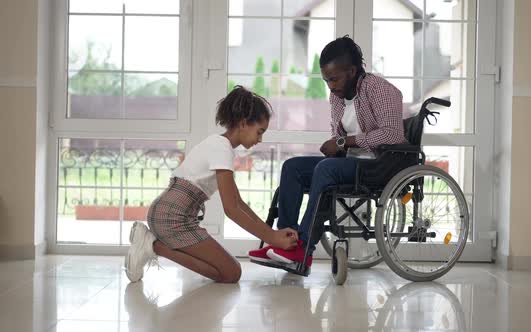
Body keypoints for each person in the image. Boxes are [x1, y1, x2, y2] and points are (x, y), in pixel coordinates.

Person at [248, 36, 406, 268]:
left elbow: (393, 135)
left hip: (379, 165)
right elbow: (338, 136)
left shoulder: (380, 90)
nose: (330, 86)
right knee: (292, 167)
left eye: (334, 79)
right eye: (326, 80)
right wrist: (337, 144)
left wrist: (343, 142)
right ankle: (285, 242)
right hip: (350, 164)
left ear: (352, 71)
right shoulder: (337, 97)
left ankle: (303, 249)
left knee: (326, 168)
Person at [125, 86, 299, 284]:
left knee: (230, 272)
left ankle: (151, 243)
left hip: (172, 214)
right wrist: (272, 238)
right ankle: (152, 245)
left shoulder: (220, 146)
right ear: (243, 124)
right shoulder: (221, 148)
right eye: (259, 132)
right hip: (172, 217)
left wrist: (272, 234)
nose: (260, 139)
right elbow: (231, 210)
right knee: (231, 273)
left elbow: (238, 203)